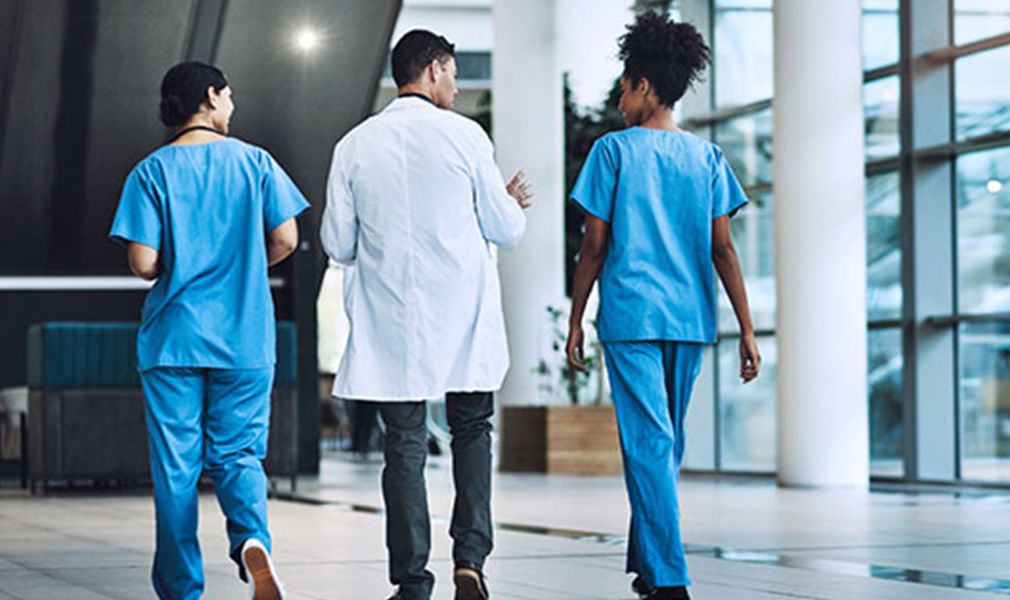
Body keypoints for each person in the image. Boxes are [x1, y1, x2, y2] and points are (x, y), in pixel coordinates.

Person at [320, 30, 532, 600]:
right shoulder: (466, 137)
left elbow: (337, 243)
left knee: (404, 447)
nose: (457, 86)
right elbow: (505, 229)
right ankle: (470, 561)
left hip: (394, 323)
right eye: (455, 74)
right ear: (434, 70)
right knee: (472, 431)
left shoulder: (355, 145)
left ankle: (412, 582)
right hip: (463, 318)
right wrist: (508, 202)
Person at [566, 13, 761, 600]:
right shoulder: (707, 160)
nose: (620, 99)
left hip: (631, 318)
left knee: (652, 444)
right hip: (691, 319)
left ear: (645, 87)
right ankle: (650, 565)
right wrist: (746, 330)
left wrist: (576, 317)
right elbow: (723, 250)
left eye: (625, 87)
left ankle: (668, 577)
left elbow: (594, 245)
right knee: (664, 443)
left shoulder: (612, 151)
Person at [109, 61, 308, 600]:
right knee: (239, 454)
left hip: (173, 338)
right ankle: (252, 543)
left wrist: (178, 263)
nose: (232, 106)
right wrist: (243, 263)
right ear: (213, 97)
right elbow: (287, 239)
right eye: (230, 96)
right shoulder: (256, 162)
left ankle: (181, 590)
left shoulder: (150, 172)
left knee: (175, 469)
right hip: (243, 336)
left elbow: (142, 262)